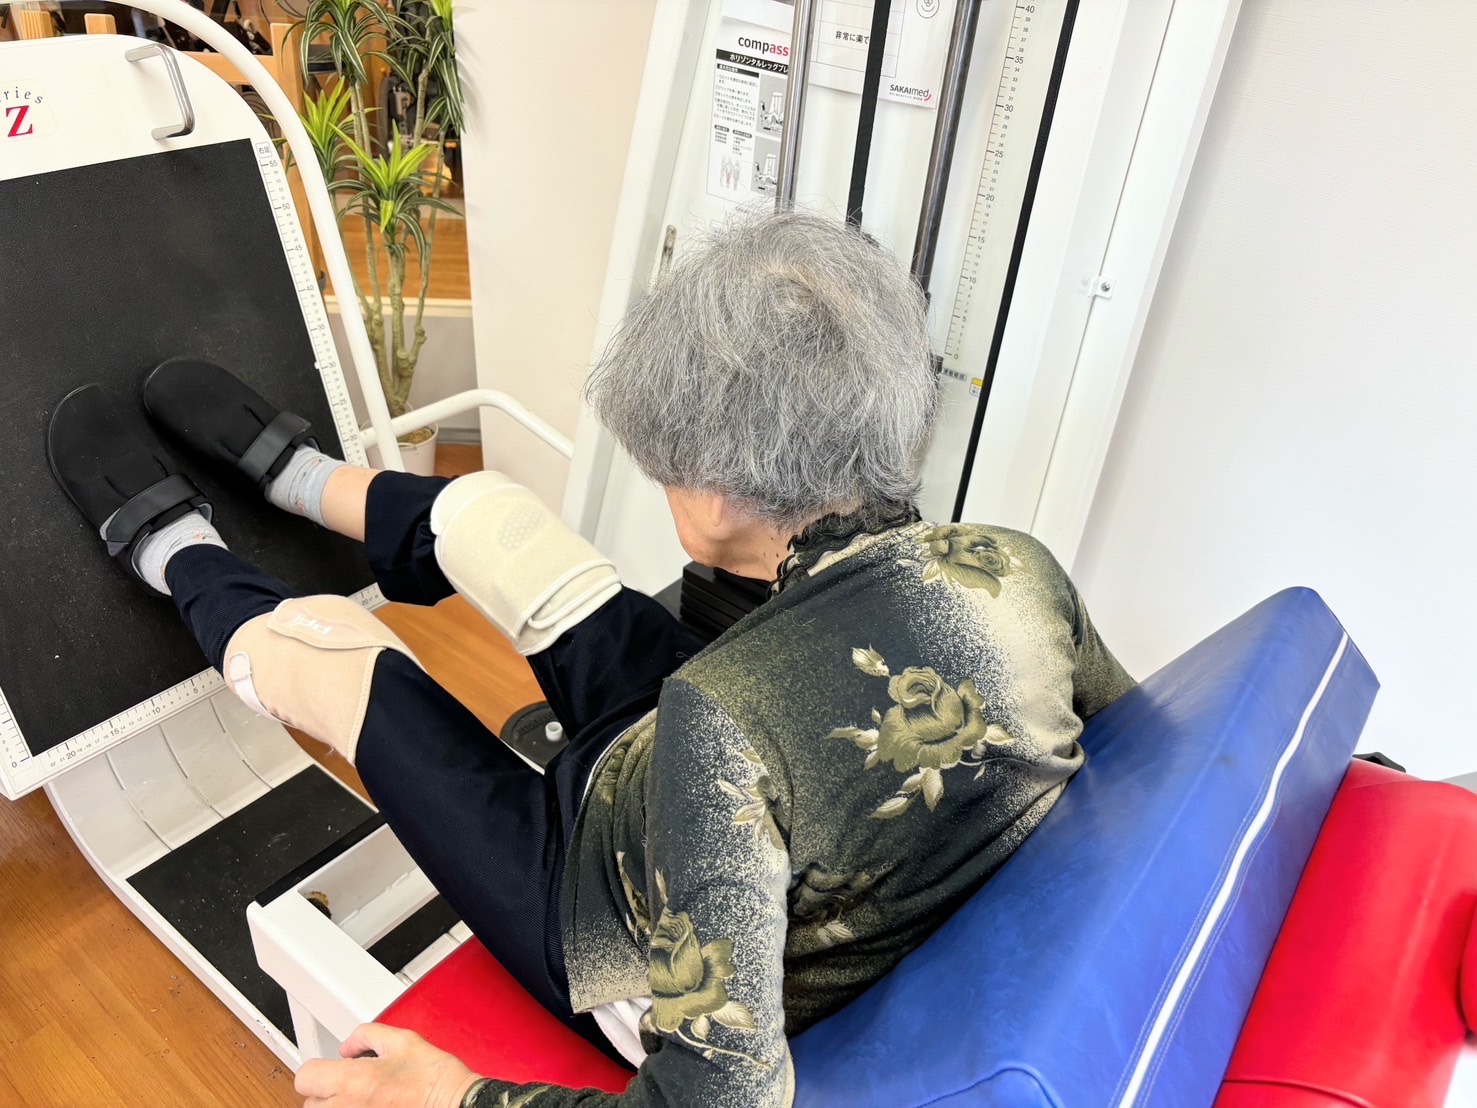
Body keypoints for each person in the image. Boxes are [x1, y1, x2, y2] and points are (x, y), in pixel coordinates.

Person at [45, 211, 1133, 1108]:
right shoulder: (1012, 565)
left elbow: (713, 1101)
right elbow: (1127, 746)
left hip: (601, 917)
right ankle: (298, 478)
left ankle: (170, 548)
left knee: (339, 661)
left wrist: (458, 1096)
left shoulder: (724, 728)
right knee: (496, 519)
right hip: (691, 765)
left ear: (715, 496)